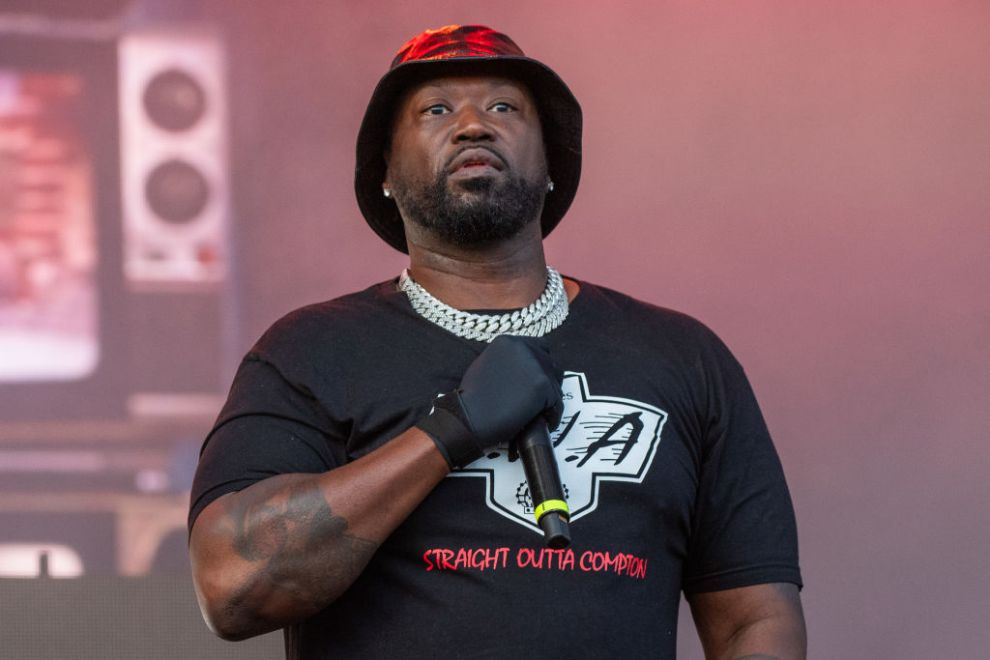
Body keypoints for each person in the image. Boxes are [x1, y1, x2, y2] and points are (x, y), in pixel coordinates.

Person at [188, 24, 806, 659]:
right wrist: (451, 430)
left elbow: (752, 620)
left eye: (503, 107)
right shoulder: (311, 350)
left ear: (552, 167)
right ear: (384, 176)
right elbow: (232, 586)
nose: (473, 125)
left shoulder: (683, 357)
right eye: (435, 109)